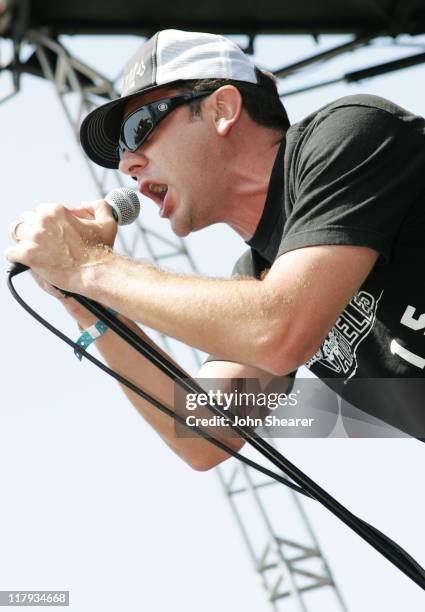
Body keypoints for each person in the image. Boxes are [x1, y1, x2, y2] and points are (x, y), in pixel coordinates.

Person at [6, 29, 425, 467]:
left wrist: (88, 266)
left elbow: (280, 329)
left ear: (222, 109)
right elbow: (201, 432)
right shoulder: (260, 274)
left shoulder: (352, 134)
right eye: (122, 153)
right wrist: (90, 303)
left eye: (140, 128)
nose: (127, 164)